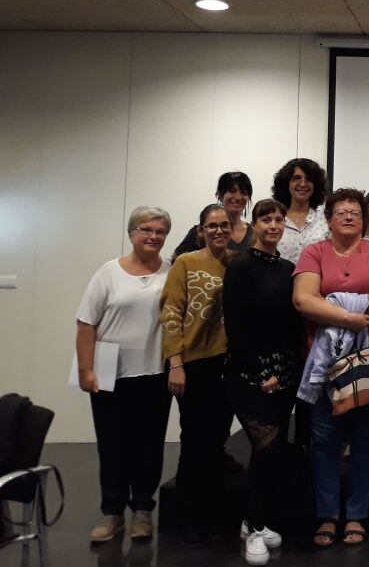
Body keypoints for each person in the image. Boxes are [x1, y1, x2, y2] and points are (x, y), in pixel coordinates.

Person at [292, 188, 369, 548]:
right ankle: (327, 515)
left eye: (355, 211)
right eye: (342, 212)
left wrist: (339, 309)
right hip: (325, 363)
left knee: (366, 441)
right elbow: (303, 299)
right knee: (324, 442)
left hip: (367, 361)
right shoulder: (315, 252)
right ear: (329, 219)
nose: (349, 217)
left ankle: (356, 514)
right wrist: (350, 316)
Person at [76, 206, 173, 543]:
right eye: (146, 229)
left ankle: (143, 511)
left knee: (149, 445)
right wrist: (86, 370)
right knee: (113, 445)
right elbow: (85, 323)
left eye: (160, 232)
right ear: (132, 233)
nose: (153, 236)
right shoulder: (108, 273)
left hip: (154, 374)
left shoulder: (171, 271)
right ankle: (112, 513)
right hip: (109, 374)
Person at [222, 199, 302, 565]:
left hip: (285, 372)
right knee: (265, 448)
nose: (274, 225)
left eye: (279, 219)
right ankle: (255, 528)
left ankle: (253, 521)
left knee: (270, 454)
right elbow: (235, 329)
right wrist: (260, 372)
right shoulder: (239, 267)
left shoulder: (288, 268)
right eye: (266, 219)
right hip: (250, 373)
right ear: (254, 224)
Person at [160, 203, 236, 547]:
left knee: (216, 443)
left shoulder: (237, 263)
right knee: (193, 442)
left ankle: (214, 516)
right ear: (201, 230)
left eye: (224, 225)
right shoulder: (186, 263)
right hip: (193, 364)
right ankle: (192, 518)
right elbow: (172, 312)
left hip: (228, 363)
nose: (219, 230)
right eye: (212, 226)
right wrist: (175, 363)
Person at [173, 172, 254, 257]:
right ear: (219, 195)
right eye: (232, 191)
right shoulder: (203, 231)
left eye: (243, 192)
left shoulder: (254, 233)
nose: (238, 197)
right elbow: (175, 260)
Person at [272, 158, 330, 265]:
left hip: (317, 280)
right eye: (297, 178)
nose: (303, 184)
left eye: (308, 179)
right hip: (279, 281)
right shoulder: (274, 217)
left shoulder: (325, 218)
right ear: (287, 183)